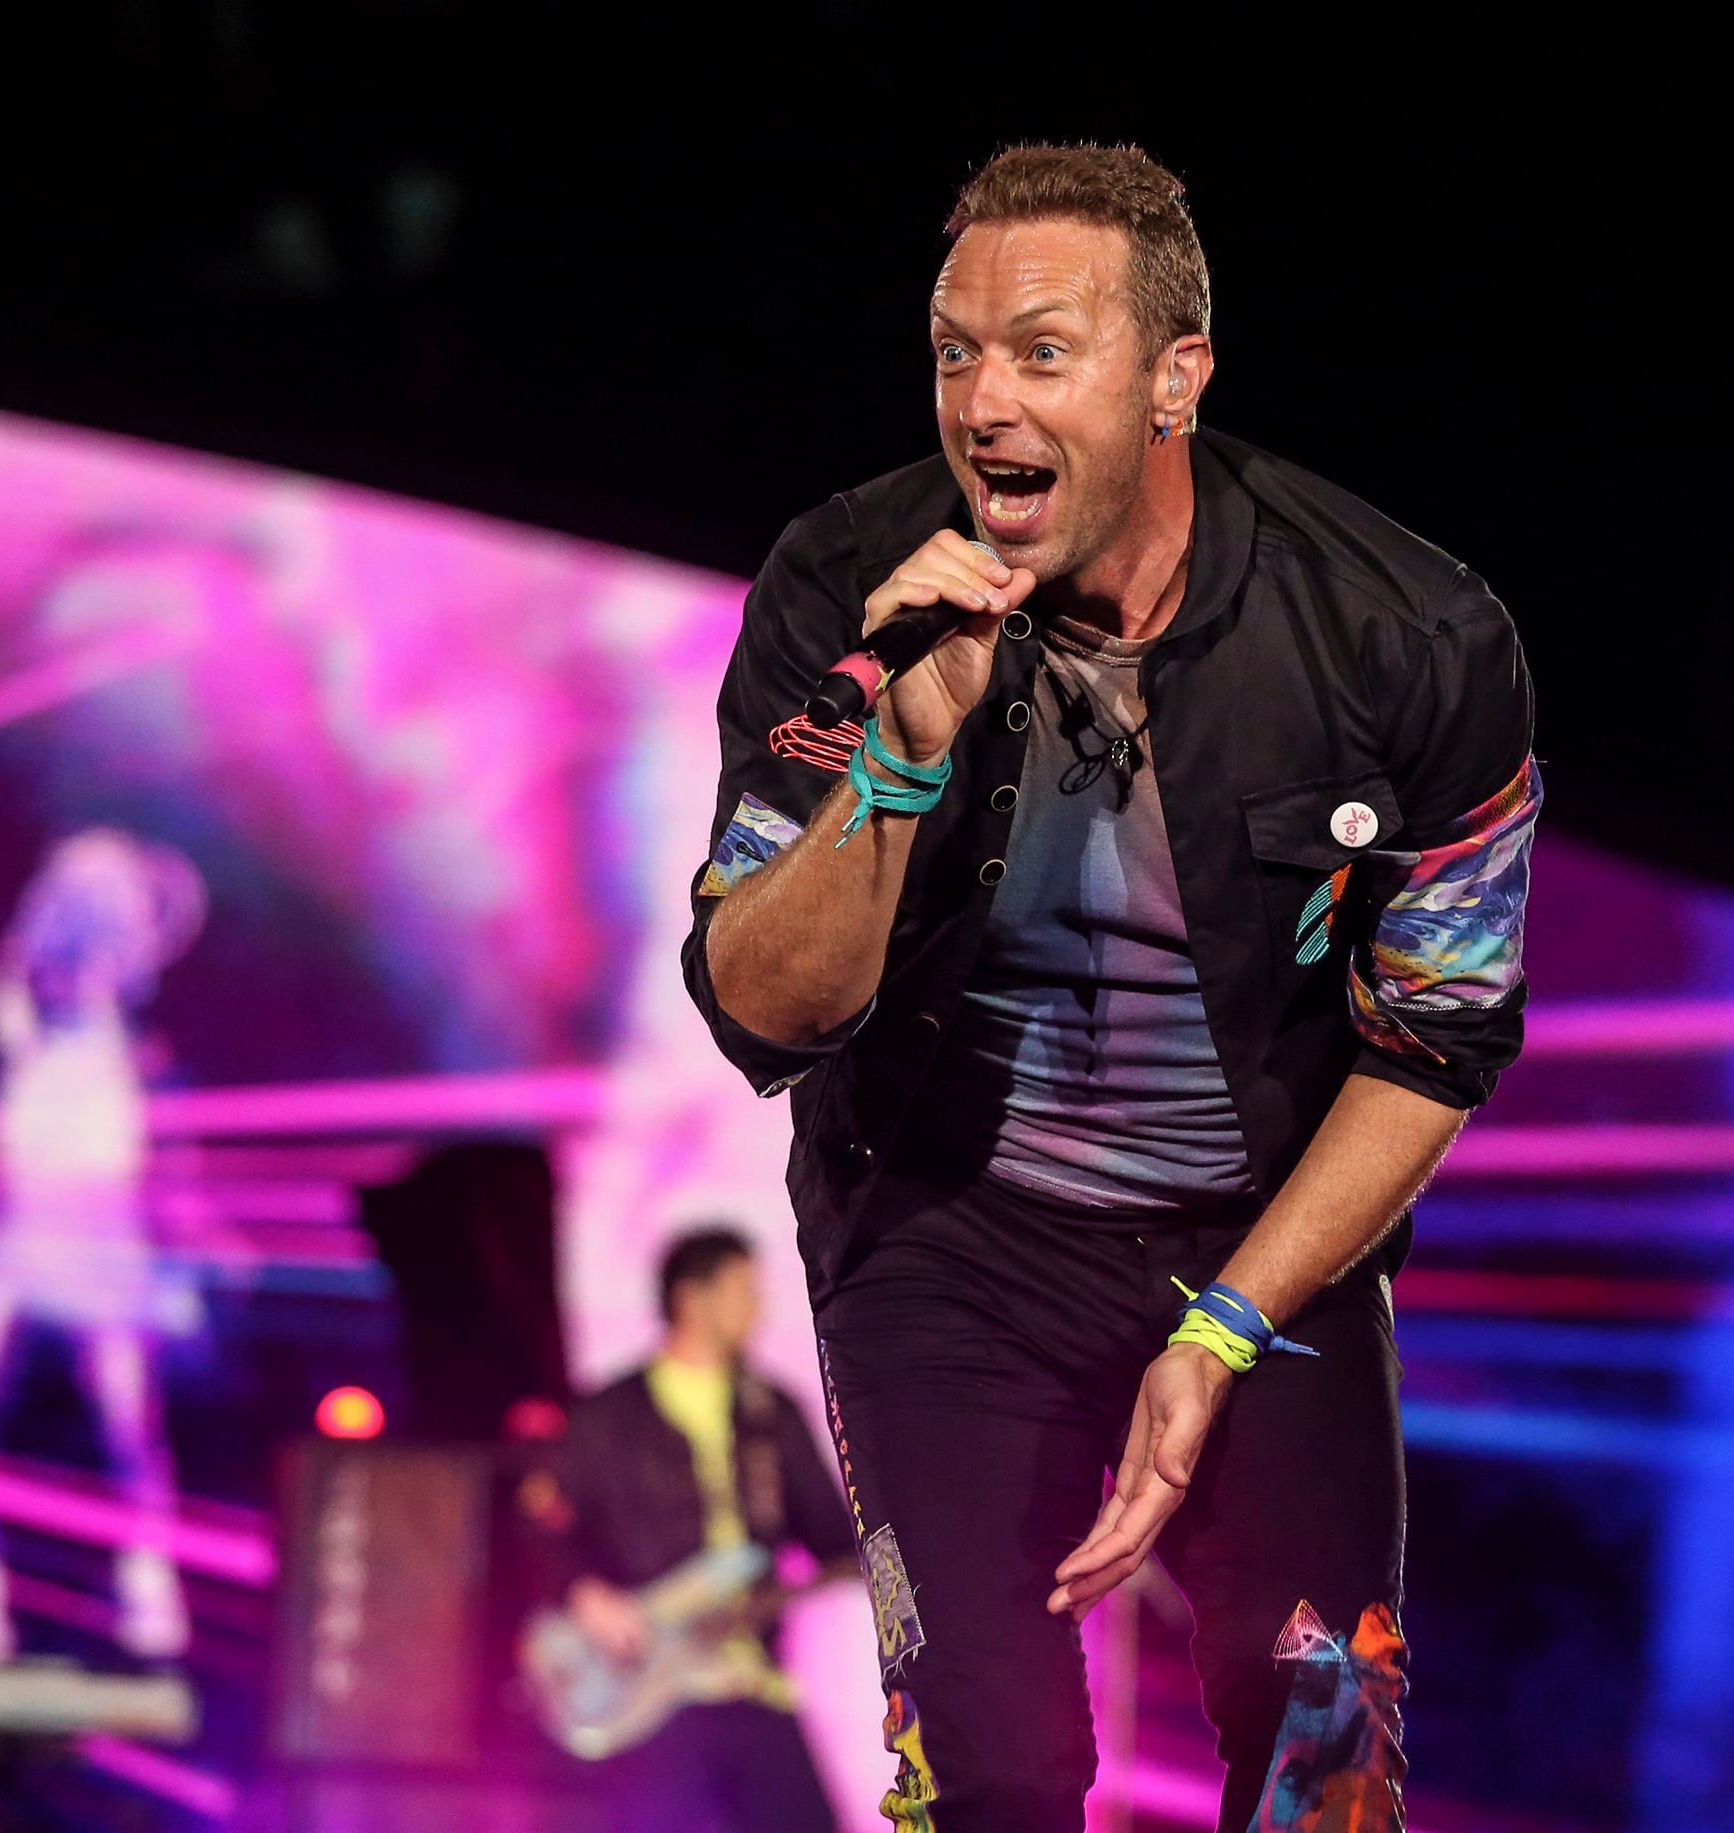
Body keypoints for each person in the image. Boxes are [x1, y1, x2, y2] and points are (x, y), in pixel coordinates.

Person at [682, 146, 1541, 1832]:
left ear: (1173, 378)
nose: (982, 402)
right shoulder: (845, 584)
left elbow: (1436, 1045)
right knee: (991, 1776)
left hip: (1257, 1244)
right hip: (942, 1236)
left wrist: (1223, 1330)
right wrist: (900, 758)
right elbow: (761, 1007)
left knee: (1325, 1759)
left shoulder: (1410, 635)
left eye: (1040, 352)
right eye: (954, 351)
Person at [0, 828, 206, 1661]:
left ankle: (150, 1591)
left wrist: (180, 1255)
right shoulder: (34, 1014)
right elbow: (17, 980)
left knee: (123, 1422)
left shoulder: (120, 1027)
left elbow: (173, 909)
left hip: (95, 1231)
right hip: (28, 1226)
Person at [531, 1225, 857, 1833]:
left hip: (750, 1676)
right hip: (651, 1684)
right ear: (691, 1299)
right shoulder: (610, 1414)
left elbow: (833, 1538)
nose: (756, 1308)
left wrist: (896, 1540)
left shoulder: (770, 1411)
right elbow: (545, 1531)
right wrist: (587, 1595)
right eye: (742, 1291)